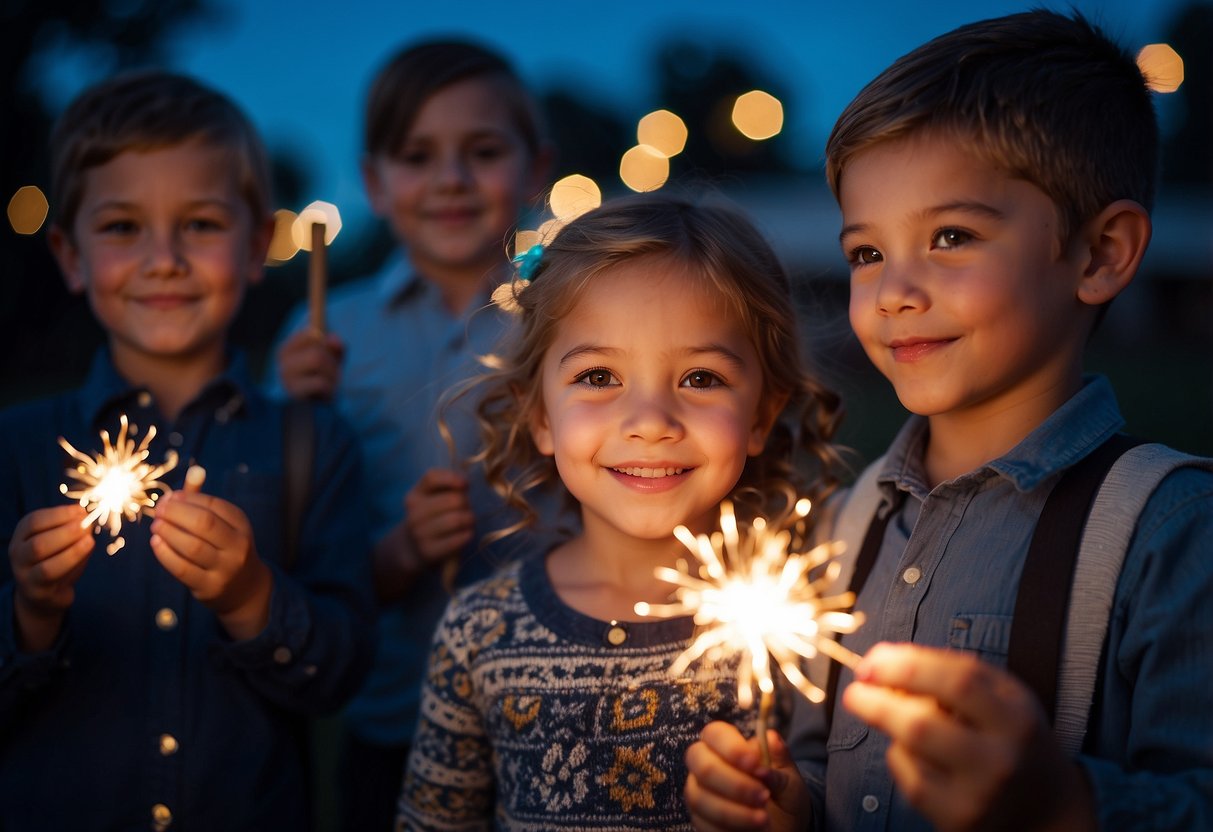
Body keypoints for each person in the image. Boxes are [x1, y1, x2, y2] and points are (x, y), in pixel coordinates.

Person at [683, 10, 1213, 832]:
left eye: (951, 236)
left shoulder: (1167, 531)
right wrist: (793, 801)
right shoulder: (846, 523)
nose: (894, 290)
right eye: (865, 253)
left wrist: (1061, 807)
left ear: (1100, 253)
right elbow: (828, 759)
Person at [395, 192, 847, 830]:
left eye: (700, 378)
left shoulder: (805, 623)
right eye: (599, 376)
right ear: (541, 416)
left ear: (762, 415)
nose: (650, 423)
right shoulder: (479, 632)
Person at [0, 70, 376, 831]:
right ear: (71, 256)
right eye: (122, 228)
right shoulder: (17, 449)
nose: (164, 258)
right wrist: (31, 613)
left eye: (201, 224)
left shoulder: (313, 443)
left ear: (256, 247)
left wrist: (249, 598)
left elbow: (340, 673)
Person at [268, 38, 556, 831]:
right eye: (417, 154)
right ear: (374, 182)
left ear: (536, 168)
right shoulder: (328, 332)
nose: (451, 179)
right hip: (396, 711)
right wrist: (293, 418)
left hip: (558, 701)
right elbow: (285, 544)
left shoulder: (571, 317)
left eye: (484, 151)